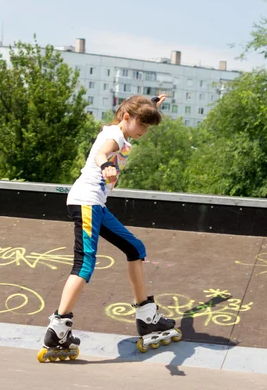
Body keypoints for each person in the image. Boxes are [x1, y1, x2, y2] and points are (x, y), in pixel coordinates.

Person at [41, 94, 178, 355]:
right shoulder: (114, 135)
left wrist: (151, 103)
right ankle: (58, 328)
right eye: (143, 125)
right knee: (84, 264)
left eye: (148, 127)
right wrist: (105, 165)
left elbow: (135, 111)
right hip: (87, 203)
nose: (144, 131)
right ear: (126, 117)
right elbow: (103, 151)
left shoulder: (123, 126)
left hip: (96, 206)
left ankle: (147, 317)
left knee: (135, 248)